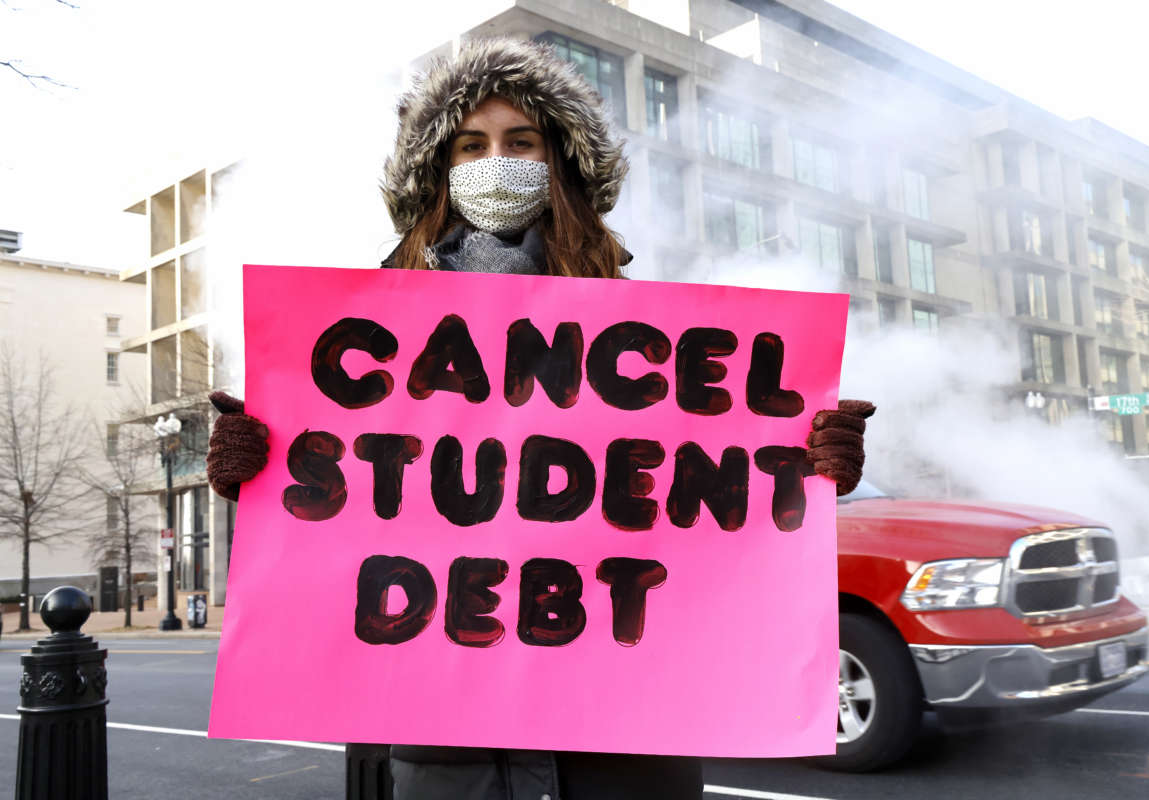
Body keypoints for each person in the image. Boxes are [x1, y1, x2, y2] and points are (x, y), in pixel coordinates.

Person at [206, 37, 875, 800]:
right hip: (451, 747)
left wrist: (810, 459)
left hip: (627, 746)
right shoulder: (371, 331)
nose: (498, 160)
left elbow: (717, 518)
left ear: (557, 160)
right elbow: (340, 523)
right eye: (472, 143)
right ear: (440, 170)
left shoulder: (651, 339)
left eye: (521, 140)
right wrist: (262, 463)